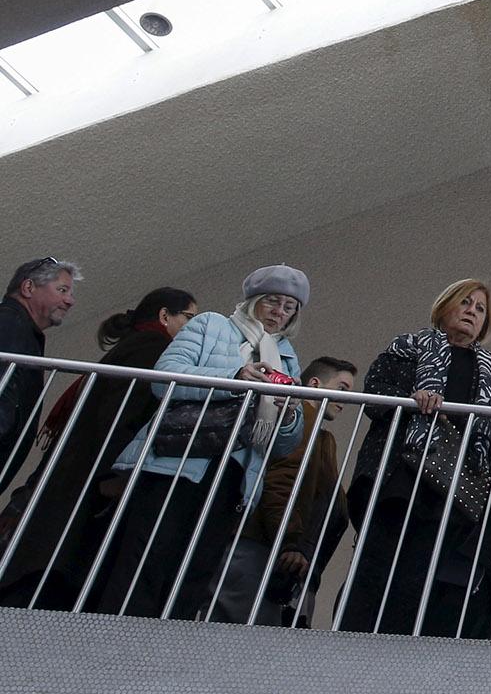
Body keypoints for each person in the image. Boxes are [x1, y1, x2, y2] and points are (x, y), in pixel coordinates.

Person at [343, 279, 491, 635]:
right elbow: (375, 393)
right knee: (378, 560)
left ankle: (398, 646)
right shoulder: (409, 347)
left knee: (422, 570)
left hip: (455, 486)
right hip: (403, 471)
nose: (472, 312)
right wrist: (414, 399)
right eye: (466, 303)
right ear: (445, 308)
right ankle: (353, 638)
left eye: (480, 309)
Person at [93, 266, 308, 618]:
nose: (279, 312)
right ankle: (118, 635)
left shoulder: (286, 356)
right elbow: (165, 378)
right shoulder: (212, 325)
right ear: (254, 301)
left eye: (288, 307)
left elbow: (284, 446)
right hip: (176, 463)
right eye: (272, 301)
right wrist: (236, 377)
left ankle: (168, 648)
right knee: (147, 557)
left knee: (197, 568)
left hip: (233, 476)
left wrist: (288, 415)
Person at [0, 286, 194, 609]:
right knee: (53, 579)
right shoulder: (153, 349)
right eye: (189, 317)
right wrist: (112, 475)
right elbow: (120, 417)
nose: (194, 328)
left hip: (71, 480)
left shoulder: (135, 347)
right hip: (88, 486)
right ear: (165, 316)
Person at [209, 355, 358, 624]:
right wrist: (290, 541)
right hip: (262, 547)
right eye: (342, 388)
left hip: (275, 551)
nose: (345, 400)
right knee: (243, 635)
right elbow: (281, 479)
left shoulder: (320, 434)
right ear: (314, 384)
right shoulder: (304, 421)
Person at [0, 258, 79, 494]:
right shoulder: (10, 324)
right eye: (62, 290)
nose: (70, 301)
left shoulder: (17, 326)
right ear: (28, 288)